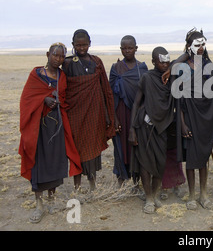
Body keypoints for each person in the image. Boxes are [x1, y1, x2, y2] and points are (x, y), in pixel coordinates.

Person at [19, 43, 82, 223]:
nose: (59, 59)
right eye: (55, 55)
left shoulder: (62, 76)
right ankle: (39, 205)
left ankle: (51, 199)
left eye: (62, 56)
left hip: (57, 126)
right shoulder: (36, 74)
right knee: (39, 164)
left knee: (55, 162)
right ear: (48, 54)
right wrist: (43, 99)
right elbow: (26, 100)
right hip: (39, 127)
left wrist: (57, 102)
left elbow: (64, 97)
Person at [62, 29, 115, 192]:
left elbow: (106, 88)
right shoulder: (67, 63)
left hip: (94, 114)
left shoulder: (96, 62)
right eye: (78, 45)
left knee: (92, 150)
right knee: (76, 150)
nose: (82, 48)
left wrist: (110, 116)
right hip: (75, 115)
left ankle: (93, 185)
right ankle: (77, 187)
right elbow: (63, 89)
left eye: (84, 45)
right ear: (73, 45)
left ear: (90, 44)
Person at [174, 28, 213, 210]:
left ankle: (204, 194)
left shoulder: (209, 65)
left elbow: (212, 94)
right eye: (197, 44)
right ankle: (191, 195)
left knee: (203, 157)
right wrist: (182, 123)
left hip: (206, 117)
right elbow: (178, 97)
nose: (201, 47)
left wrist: (210, 120)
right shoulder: (182, 66)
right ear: (189, 46)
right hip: (188, 116)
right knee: (191, 157)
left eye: (203, 44)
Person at [128, 47, 175, 214]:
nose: (164, 64)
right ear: (153, 62)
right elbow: (136, 103)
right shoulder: (147, 78)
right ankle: (148, 198)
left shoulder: (170, 78)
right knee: (146, 164)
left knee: (160, 163)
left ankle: (155, 194)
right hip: (145, 126)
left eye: (167, 61)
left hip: (162, 128)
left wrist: (171, 68)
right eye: (161, 61)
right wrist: (132, 128)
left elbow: (182, 60)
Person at [109, 35, 148, 186]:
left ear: (136, 48)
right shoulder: (116, 68)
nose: (127, 51)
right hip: (120, 113)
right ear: (120, 49)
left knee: (136, 146)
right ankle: (121, 182)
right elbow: (110, 94)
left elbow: (146, 94)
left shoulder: (142, 68)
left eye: (130, 48)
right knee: (120, 146)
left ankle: (136, 182)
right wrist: (114, 118)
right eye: (124, 48)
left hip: (137, 114)